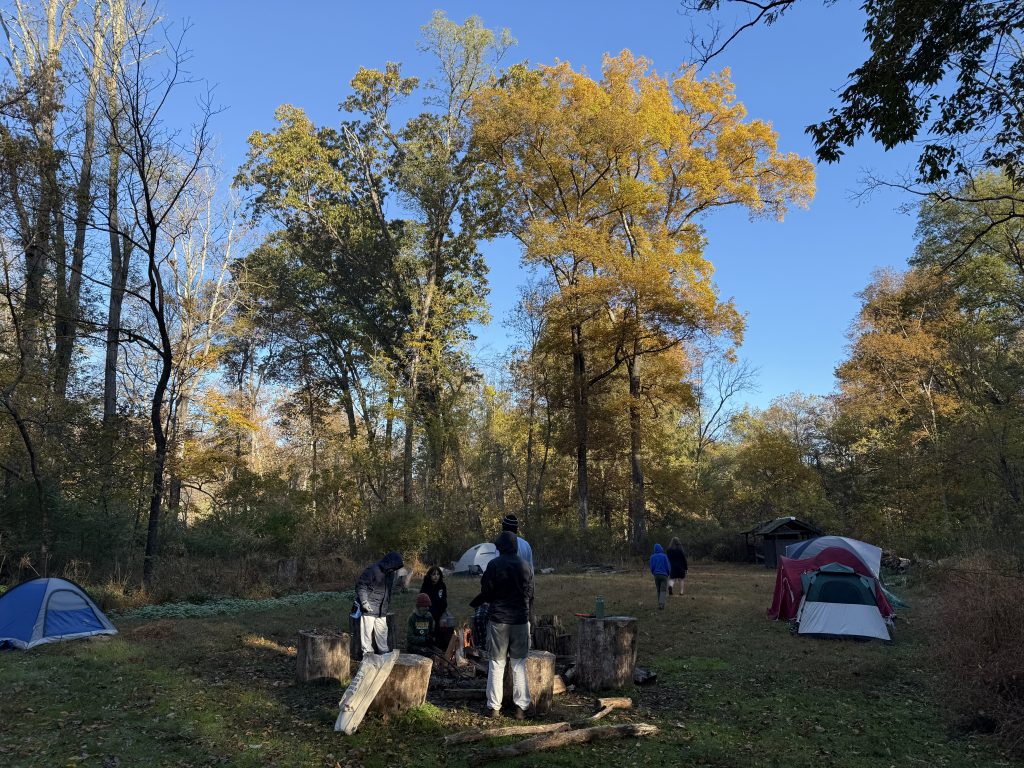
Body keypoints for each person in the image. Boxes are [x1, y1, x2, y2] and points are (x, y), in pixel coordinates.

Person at [475, 530, 534, 719]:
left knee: (496, 664)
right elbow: (530, 594)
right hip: (520, 620)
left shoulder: (493, 565)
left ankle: (494, 708)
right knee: (518, 665)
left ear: (500, 547)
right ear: (515, 547)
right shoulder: (525, 566)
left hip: (499, 619)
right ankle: (521, 709)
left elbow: (486, 591)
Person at [354, 551, 403, 655]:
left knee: (382, 634)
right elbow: (361, 585)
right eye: (394, 566)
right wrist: (364, 601)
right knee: (366, 635)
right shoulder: (372, 570)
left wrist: (386, 605)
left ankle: (384, 656)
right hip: (369, 608)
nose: (394, 569)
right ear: (389, 562)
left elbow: (388, 591)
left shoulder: (391, 574)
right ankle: (367, 657)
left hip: (382, 610)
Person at [419, 565, 454, 649]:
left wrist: (441, 613)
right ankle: (428, 642)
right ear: (430, 575)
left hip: (440, 610)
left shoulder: (442, 585)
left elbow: (444, 600)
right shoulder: (426, 585)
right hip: (428, 610)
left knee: (447, 622)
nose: (436, 577)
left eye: (438, 574)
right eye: (433, 574)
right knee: (429, 622)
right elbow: (422, 600)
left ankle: (442, 644)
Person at [650, 543, 670, 610]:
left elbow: (652, 567)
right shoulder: (664, 556)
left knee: (658, 590)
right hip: (664, 575)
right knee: (663, 590)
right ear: (661, 548)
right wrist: (668, 573)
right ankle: (661, 604)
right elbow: (667, 566)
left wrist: (653, 573)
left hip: (656, 575)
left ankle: (659, 604)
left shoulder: (652, 557)